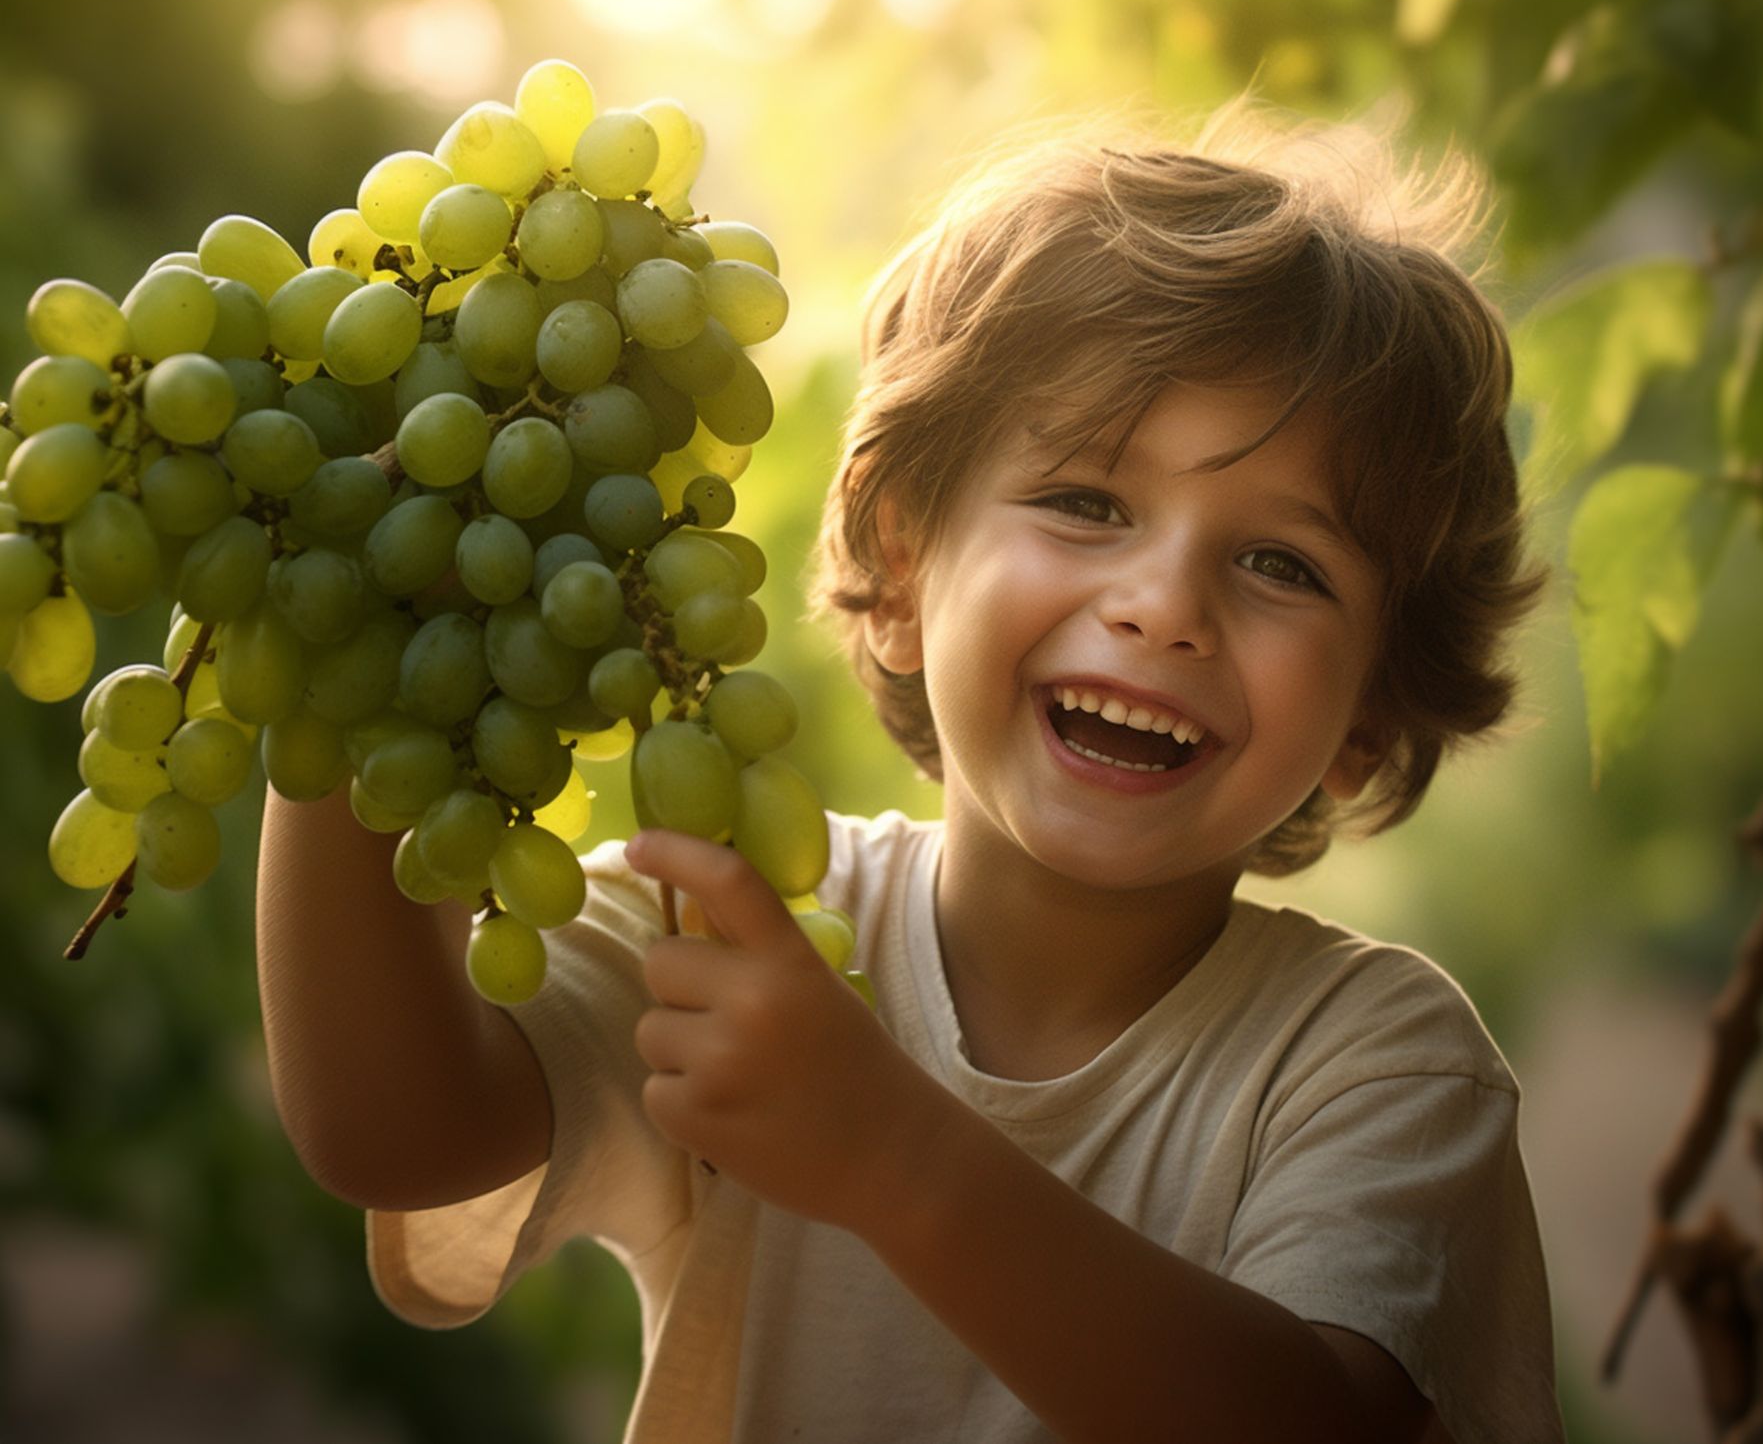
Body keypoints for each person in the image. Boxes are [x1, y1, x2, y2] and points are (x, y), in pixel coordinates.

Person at [256, 92, 1565, 1444]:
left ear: (1369, 711)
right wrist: (346, 661)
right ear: (899, 556)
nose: (1165, 604)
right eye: (1087, 502)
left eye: (1282, 563)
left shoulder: (1378, 1065)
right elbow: (390, 1131)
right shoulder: (734, 927)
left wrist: (890, 1153)